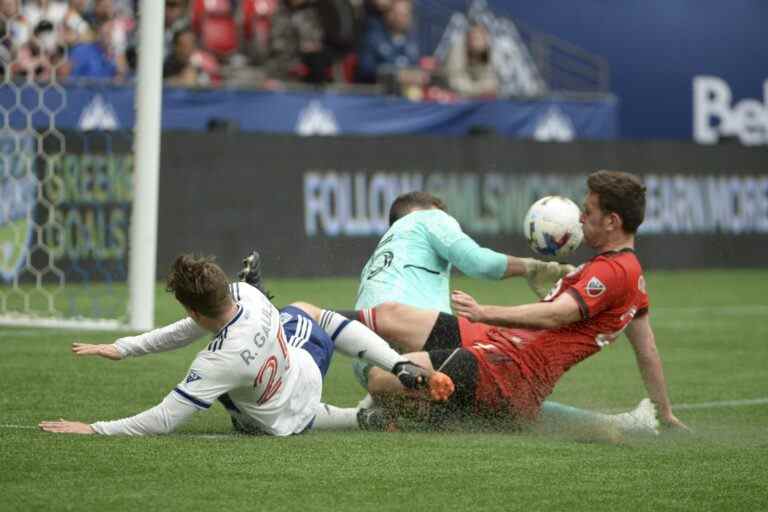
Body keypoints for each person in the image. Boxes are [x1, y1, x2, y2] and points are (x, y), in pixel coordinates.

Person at [240, 189, 661, 439]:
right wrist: (532, 268)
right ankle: (613, 424)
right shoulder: (428, 220)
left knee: (487, 400)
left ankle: (279, 318)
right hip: (425, 338)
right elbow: (476, 260)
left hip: (373, 356)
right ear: (429, 211)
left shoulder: (381, 255)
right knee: (503, 392)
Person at [344, 171, 688, 433]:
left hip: (508, 367)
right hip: (501, 350)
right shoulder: (621, 273)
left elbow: (557, 315)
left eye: (588, 211)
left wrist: (485, 312)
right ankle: (313, 321)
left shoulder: (614, 271)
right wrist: (666, 413)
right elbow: (647, 350)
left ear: (612, 221)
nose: (581, 219)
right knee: (392, 318)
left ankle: (413, 414)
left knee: (382, 379)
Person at [39, 254, 453, 436]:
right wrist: (126, 347)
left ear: (195, 310)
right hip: (299, 378)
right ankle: (396, 367)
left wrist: (94, 428)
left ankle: (362, 410)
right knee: (309, 314)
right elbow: (191, 326)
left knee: (292, 330)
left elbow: (163, 420)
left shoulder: (216, 362)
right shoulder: (245, 296)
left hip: (264, 423)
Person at [441, 22, 498, 98]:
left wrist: (480, 53)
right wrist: (478, 91)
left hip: (483, 101)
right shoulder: (458, 48)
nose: (476, 39)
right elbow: (454, 81)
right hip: (460, 100)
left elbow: (492, 83)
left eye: (480, 36)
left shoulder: (492, 50)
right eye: (473, 35)